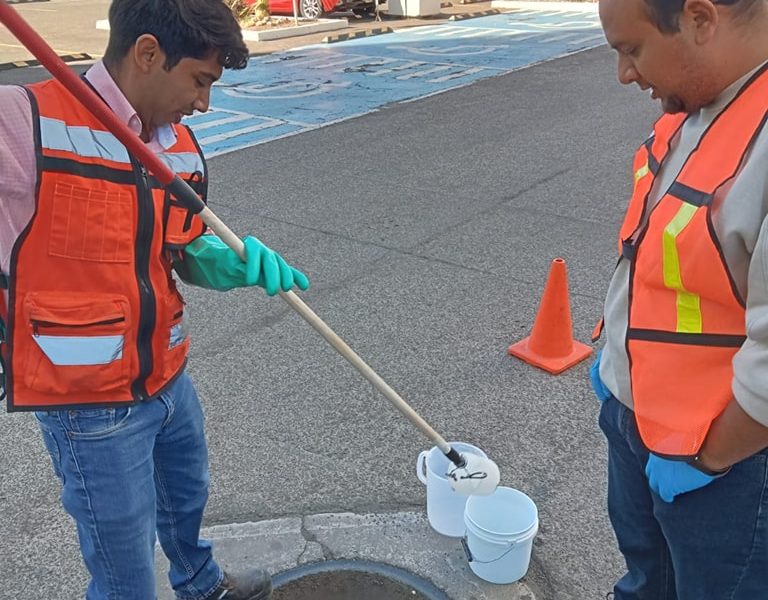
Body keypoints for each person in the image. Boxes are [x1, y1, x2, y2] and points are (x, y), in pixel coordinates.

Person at [0, 1, 309, 598]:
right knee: (125, 568)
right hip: (90, 406)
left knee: (187, 502)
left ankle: (200, 584)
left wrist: (228, 262)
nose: (205, 103)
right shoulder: (24, 121)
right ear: (148, 53)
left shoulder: (181, 145)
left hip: (167, 375)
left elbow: (178, 248)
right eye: (200, 80)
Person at [592, 0, 768, 597]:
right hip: (639, 418)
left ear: (698, 19)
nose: (624, 74)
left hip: (722, 462)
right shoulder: (699, 104)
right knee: (648, 577)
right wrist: (617, 368)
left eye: (632, 49)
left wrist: (708, 460)